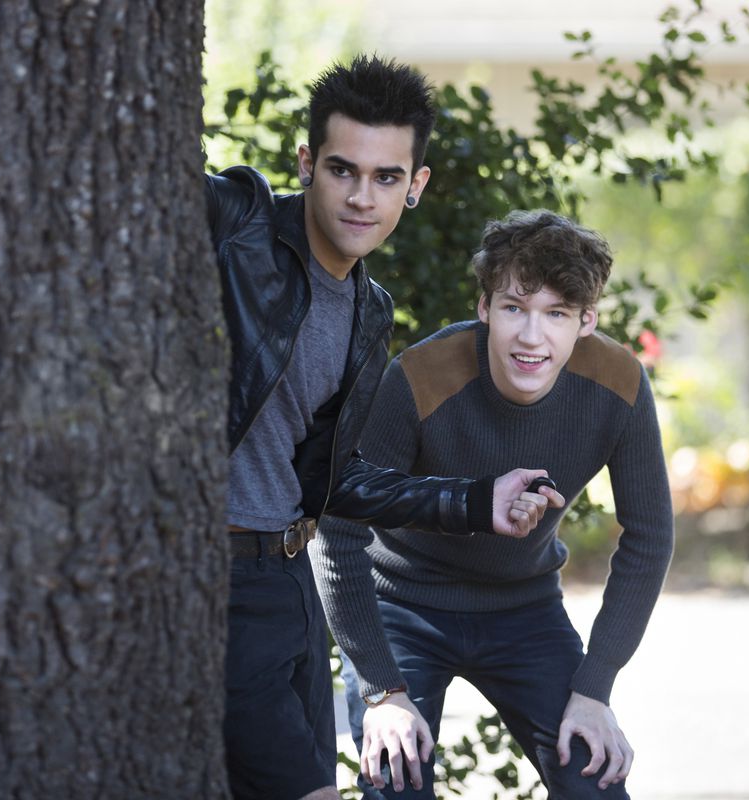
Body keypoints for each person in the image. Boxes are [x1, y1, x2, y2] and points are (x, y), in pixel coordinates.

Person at [205, 57, 561, 800]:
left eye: (386, 177)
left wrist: (475, 502)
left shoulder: (369, 310)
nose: (362, 197)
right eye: (342, 170)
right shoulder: (238, 226)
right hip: (218, 576)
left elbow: (333, 480)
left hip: (291, 583)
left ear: (415, 185)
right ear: (306, 163)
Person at [312, 209, 675, 799]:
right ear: (484, 308)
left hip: (524, 610)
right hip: (401, 606)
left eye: (556, 313)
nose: (531, 336)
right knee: (396, 777)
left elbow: (650, 537)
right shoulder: (420, 377)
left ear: (587, 320)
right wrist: (381, 690)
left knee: (595, 781)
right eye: (514, 308)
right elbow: (337, 526)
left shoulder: (619, 384)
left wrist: (594, 687)